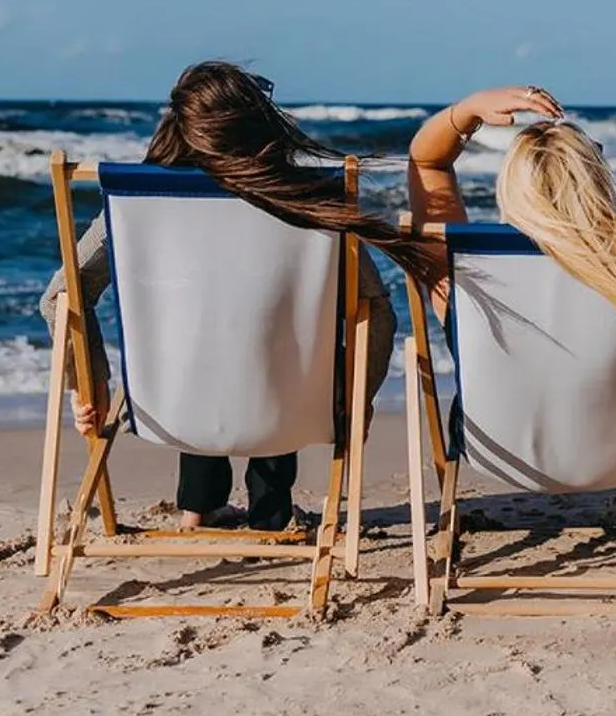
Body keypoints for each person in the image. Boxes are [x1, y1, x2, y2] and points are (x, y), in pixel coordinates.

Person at [41, 61, 426, 532]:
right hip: (292, 399)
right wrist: (356, 400)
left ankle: (198, 508)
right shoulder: (307, 199)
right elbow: (378, 312)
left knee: (194, 340)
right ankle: (272, 511)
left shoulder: (137, 206)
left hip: (170, 397)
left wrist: (91, 386)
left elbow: (61, 296)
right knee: (295, 339)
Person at [407, 85, 616, 521]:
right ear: (598, 183)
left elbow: (425, 162)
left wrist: (467, 110)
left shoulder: (467, 277)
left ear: (512, 184)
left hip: (498, 451)